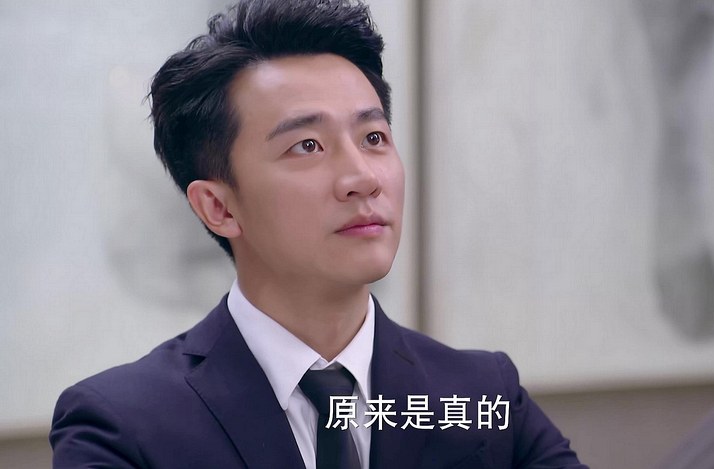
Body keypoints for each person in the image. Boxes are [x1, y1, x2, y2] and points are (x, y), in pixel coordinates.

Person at [49, 1, 586, 467]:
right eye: (307, 146)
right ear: (218, 207)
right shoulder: (122, 427)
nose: (363, 178)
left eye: (373, 137)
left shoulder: (482, 396)